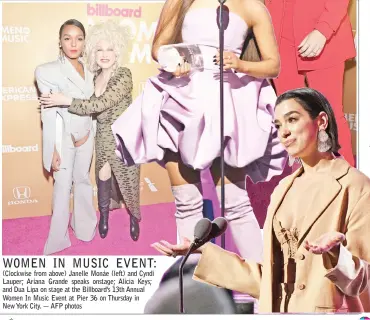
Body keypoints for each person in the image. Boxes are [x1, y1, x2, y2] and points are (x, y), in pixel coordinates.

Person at [152, 88, 370, 313]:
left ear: (321, 121)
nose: (283, 132)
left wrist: (336, 254)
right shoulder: (283, 190)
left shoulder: (355, 186)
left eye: (292, 120)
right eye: (277, 125)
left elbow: (364, 281)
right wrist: (203, 253)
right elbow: (266, 281)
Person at [111, 0, 287, 261]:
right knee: (186, 203)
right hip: (181, 96)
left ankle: (264, 287)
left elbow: (273, 65)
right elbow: (159, 47)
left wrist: (240, 64)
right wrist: (174, 61)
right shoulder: (180, 1)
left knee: (236, 205)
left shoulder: (252, 7)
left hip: (227, 102)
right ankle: (194, 291)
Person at [39, 20, 141, 241]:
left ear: (118, 51)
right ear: (93, 51)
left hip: (124, 138)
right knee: (102, 177)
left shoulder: (124, 75)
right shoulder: (93, 77)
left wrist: (65, 100)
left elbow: (97, 105)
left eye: (110, 49)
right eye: (100, 49)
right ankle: (103, 218)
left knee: (129, 182)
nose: (105, 54)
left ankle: (134, 218)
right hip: (103, 135)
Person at [266, 0, 356, 166]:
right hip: (279, 37)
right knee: (290, 116)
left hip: (322, 37)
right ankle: (304, 177)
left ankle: (346, 181)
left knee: (330, 114)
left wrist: (323, 30)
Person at [35, 19, 97, 255]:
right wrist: (51, 149)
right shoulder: (46, 70)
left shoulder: (91, 71)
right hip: (63, 137)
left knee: (83, 181)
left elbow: (94, 106)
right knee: (62, 188)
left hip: (87, 135)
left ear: (84, 42)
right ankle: (57, 240)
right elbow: (50, 114)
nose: (73, 43)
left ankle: (84, 228)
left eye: (79, 38)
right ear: (60, 42)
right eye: (67, 38)